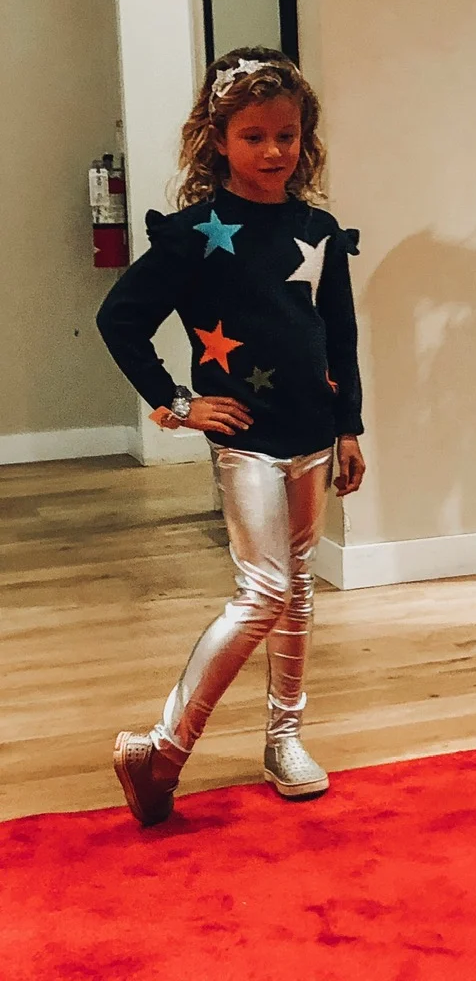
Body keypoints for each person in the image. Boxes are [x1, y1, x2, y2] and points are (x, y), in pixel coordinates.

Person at [97, 47, 365, 825]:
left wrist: (350, 426)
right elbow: (120, 319)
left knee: (299, 585)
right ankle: (163, 749)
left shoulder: (318, 230)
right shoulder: (193, 235)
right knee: (265, 591)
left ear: (304, 136)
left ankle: (285, 739)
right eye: (254, 137)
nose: (273, 152)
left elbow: (339, 336)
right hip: (246, 439)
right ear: (218, 139)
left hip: (315, 434)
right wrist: (178, 403)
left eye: (286, 135)